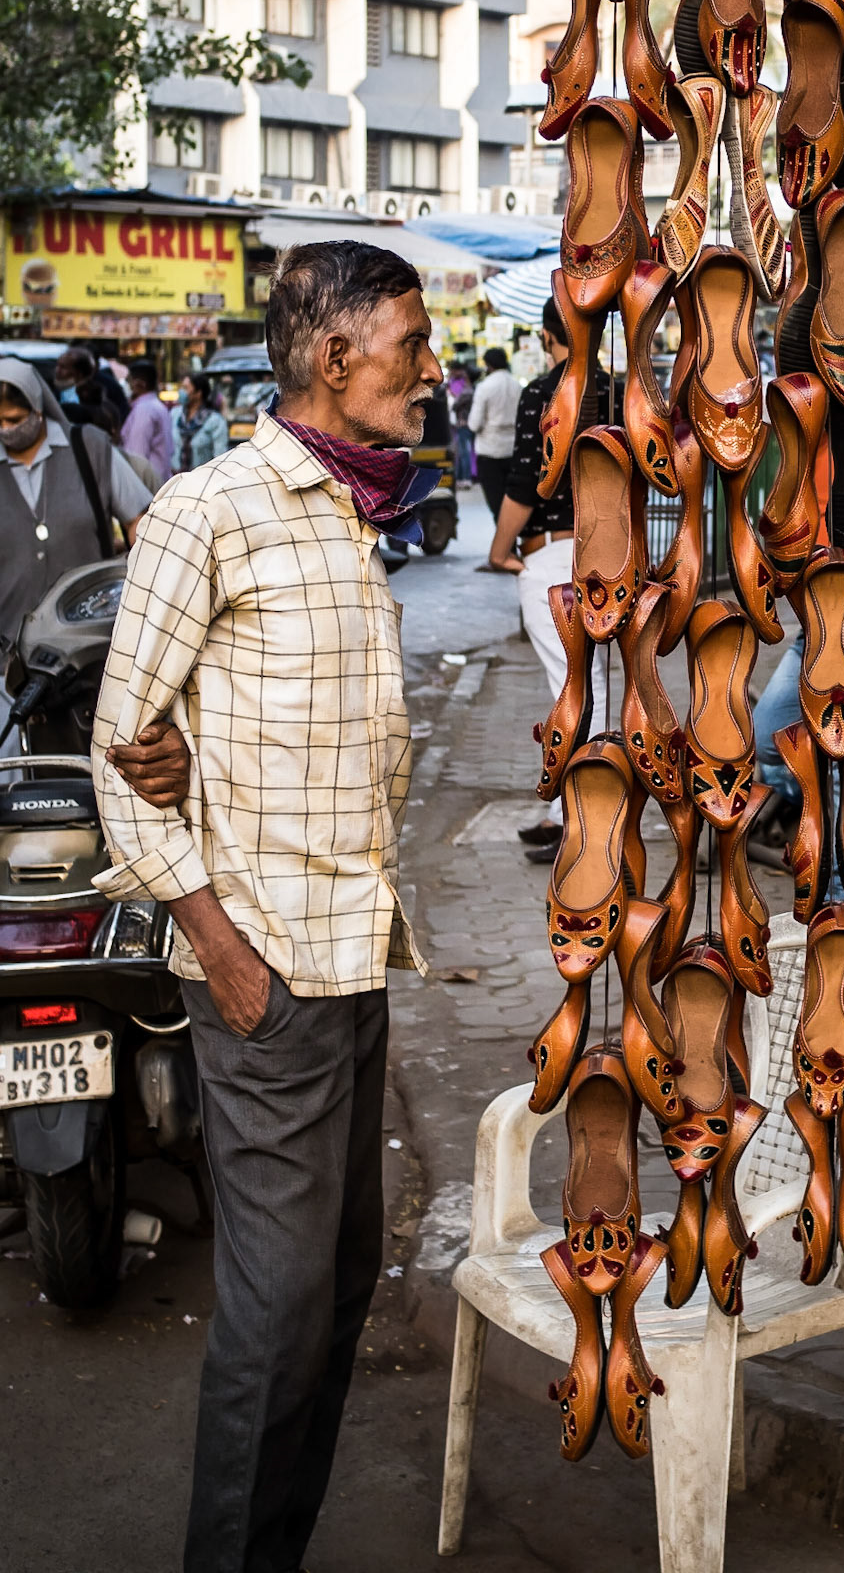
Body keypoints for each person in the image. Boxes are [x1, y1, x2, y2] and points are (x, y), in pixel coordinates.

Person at [92, 239, 443, 1573]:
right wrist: (214, 940)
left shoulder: (350, 511)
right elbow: (123, 748)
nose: (427, 372)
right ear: (333, 357)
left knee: (336, 1294)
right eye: (408, 346)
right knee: (278, 1310)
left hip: (348, 964)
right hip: (266, 969)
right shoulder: (211, 509)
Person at [483, 296, 612, 852]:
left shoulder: (544, 393)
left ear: (544, 336)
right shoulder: (616, 393)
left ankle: (586, 815)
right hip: (609, 555)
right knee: (589, 681)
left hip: (553, 556)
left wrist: (498, 548)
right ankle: (578, 810)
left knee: (573, 685)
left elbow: (525, 482)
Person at [0, 356, 152, 651]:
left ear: (38, 410)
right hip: (8, 646)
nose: (6, 429)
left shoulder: (88, 449)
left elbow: (140, 521)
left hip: (87, 645)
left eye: (15, 420)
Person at [467, 344, 520, 518]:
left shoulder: (485, 387)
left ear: (488, 365)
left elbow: (474, 424)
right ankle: (511, 539)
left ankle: (505, 540)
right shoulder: (517, 386)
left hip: (490, 451)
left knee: (496, 504)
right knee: (512, 501)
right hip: (513, 450)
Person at [120, 359, 174, 487]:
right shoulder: (157, 406)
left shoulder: (144, 410)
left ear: (139, 384)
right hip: (158, 481)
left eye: (128, 381)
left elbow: (136, 455)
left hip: (146, 486)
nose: (127, 385)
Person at [171, 370, 229, 474]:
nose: (181, 392)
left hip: (201, 482)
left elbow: (219, 458)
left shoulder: (215, 422)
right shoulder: (174, 415)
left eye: (186, 388)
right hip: (175, 480)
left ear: (198, 393)